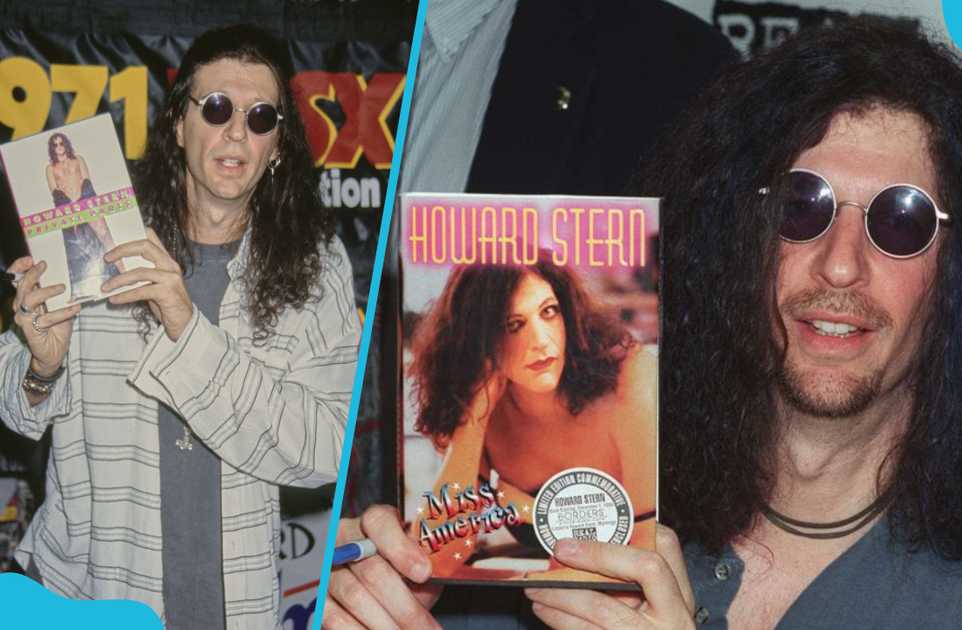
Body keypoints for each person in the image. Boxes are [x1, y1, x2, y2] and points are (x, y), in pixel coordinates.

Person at [324, 17, 962, 630]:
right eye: (802, 207)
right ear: (736, 232)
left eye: (899, 222)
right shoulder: (607, 499)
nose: (841, 266)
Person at [1, 24, 360, 627]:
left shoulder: (315, 265)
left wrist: (185, 326)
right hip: (89, 599)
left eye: (261, 117)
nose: (236, 132)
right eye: (217, 108)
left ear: (277, 146)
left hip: (235, 610)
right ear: (177, 125)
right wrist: (41, 367)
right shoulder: (99, 237)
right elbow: (17, 407)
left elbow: (327, 451)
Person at [406, 255, 657, 578]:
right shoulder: (484, 410)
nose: (542, 341)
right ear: (480, 340)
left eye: (549, 312)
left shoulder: (630, 376)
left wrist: (527, 510)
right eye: (514, 325)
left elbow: (645, 555)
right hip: (550, 597)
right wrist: (473, 420)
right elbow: (431, 562)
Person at [44, 132, 119, 298]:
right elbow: (54, 190)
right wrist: (69, 207)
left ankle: (121, 272)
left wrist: (84, 203)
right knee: (74, 244)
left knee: (105, 235)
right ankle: (80, 288)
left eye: (61, 143)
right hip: (67, 208)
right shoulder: (50, 168)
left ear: (66, 144)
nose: (59, 148)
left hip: (86, 202)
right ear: (52, 148)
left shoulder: (78, 159)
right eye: (55, 145)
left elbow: (86, 179)